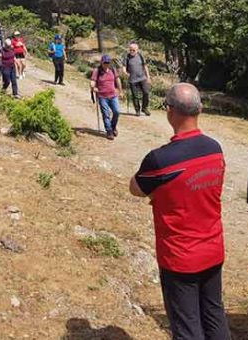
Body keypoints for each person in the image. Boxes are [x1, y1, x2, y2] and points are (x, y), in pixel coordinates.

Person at [129, 83, 230, 340]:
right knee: (214, 316)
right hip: (213, 250)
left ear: (169, 111)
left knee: (187, 328)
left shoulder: (160, 160)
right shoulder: (215, 149)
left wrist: (159, 193)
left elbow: (136, 188)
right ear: (200, 110)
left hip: (180, 257)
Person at [90, 55, 123, 140]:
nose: (106, 64)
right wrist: (93, 87)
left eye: (108, 63)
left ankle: (113, 126)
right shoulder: (97, 71)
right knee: (106, 114)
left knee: (116, 112)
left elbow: (117, 79)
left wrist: (120, 90)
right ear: (101, 62)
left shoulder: (112, 70)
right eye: (105, 63)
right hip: (102, 96)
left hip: (113, 95)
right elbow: (93, 81)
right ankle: (109, 131)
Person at [123, 43, 152, 117]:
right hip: (132, 79)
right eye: (130, 50)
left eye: (133, 50)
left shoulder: (140, 55)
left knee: (146, 92)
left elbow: (145, 66)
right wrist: (125, 73)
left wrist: (148, 77)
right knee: (135, 96)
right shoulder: (127, 57)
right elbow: (123, 67)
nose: (132, 51)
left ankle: (144, 108)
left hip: (142, 78)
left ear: (137, 50)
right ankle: (137, 110)